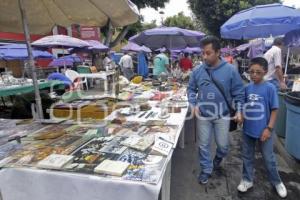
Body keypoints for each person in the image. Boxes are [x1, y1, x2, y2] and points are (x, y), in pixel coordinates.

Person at [187, 36, 244, 184]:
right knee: (203, 145)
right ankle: (206, 169)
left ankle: (217, 159)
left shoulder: (230, 70)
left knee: (223, 146)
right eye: (202, 53)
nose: (204, 56)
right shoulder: (198, 71)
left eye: (208, 53)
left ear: (218, 52)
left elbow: (239, 92)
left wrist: (238, 110)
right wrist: (193, 104)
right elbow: (191, 89)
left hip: (222, 116)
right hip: (203, 116)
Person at [237, 57, 287, 198]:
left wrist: (269, 129)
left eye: (258, 72)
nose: (254, 75)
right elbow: (244, 106)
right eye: (251, 72)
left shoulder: (270, 88)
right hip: (248, 130)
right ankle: (247, 180)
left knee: (268, 158)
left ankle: (277, 182)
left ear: (265, 72)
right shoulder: (247, 88)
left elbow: (274, 110)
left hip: (264, 130)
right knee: (247, 156)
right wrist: (241, 116)